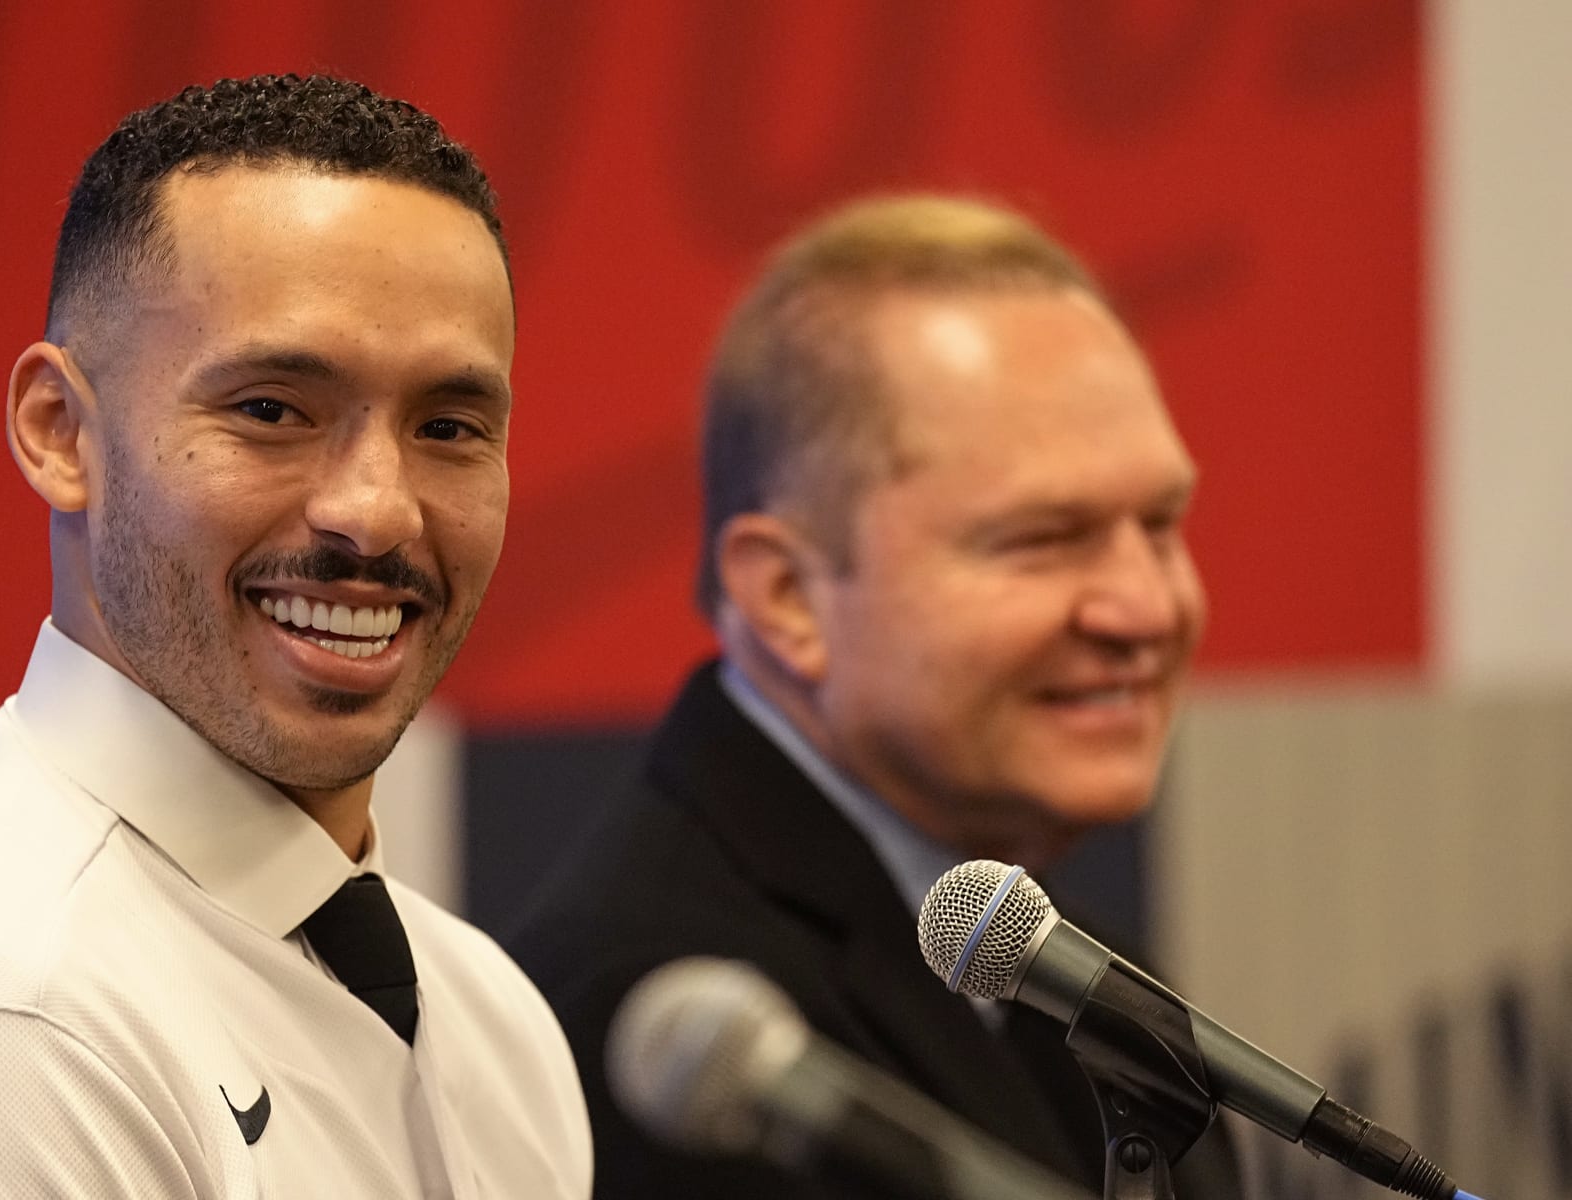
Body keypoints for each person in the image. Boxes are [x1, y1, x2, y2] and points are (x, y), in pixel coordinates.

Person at [0, 75, 590, 1198]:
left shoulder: (493, 1016)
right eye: (270, 410)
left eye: (448, 427)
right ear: (60, 432)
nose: (378, 511)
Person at [503, 195, 1239, 1197]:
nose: (1147, 608)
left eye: (1161, 525)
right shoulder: (662, 1033)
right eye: (1043, 539)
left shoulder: (1059, 961)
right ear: (788, 596)